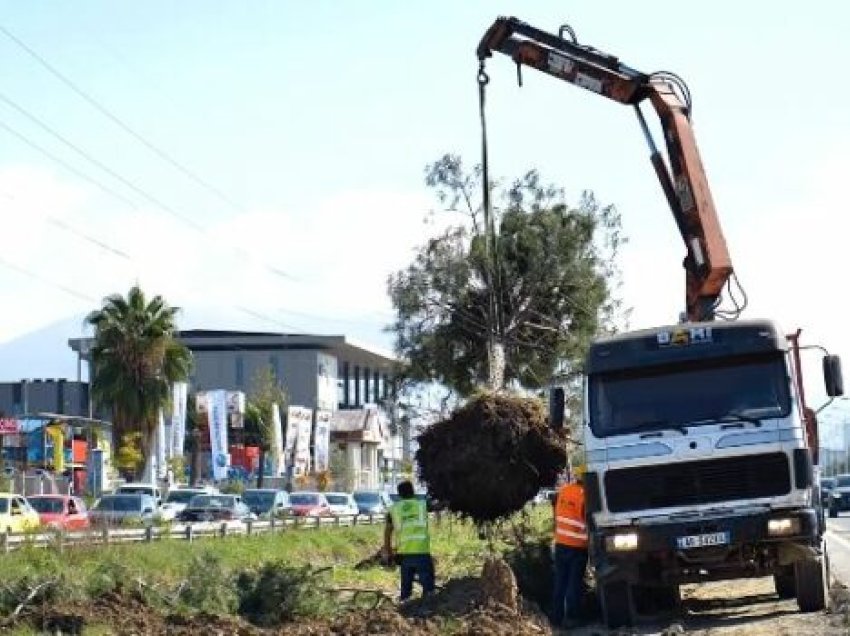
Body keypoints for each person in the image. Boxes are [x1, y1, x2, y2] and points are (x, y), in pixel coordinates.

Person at [383, 480, 435, 601]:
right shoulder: (422, 505)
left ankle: (404, 611)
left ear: (399, 494)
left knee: (406, 589)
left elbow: (387, 533)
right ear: (413, 492)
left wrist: (389, 552)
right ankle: (426, 611)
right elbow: (438, 505)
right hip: (422, 552)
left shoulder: (394, 510)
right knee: (428, 589)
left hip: (404, 554)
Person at [551, 464, 589, 628]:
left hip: (561, 544)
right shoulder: (585, 496)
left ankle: (556, 617)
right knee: (574, 583)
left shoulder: (565, 491)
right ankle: (572, 618)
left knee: (560, 581)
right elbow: (587, 520)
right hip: (577, 546)